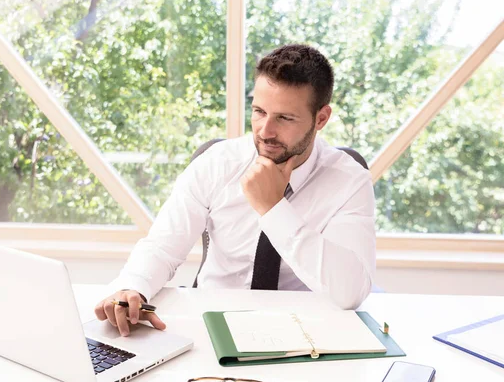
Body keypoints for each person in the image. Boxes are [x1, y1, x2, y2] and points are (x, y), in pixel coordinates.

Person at [94, 44, 376, 336]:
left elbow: (350, 292)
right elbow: (163, 247)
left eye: (285, 118)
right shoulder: (218, 163)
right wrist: (133, 287)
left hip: (304, 332)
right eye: (259, 112)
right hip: (212, 323)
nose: (265, 131)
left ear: (321, 118)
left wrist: (273, 208)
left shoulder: (349, 180)